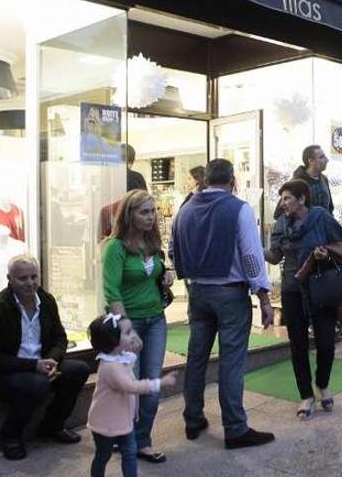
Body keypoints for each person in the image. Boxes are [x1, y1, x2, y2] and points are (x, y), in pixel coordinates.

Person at [170, 158, 275, 449]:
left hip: (198, 291)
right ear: (233, 181)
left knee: (196, 356)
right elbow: (252, 256)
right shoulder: (238, 208)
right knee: (231, 361)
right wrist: (263, 296)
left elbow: (173, 249)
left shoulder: (185, 210)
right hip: (229, 292)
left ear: (205, 180)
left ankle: (193, 419)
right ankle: (235, 428)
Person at [0, 255, 90, 460]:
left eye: (33, 277)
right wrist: (33, 366)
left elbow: (60, 338)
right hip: (3, 375)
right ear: (9, 279)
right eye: (22, 278)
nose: (30, 283)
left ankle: (52, 426)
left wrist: (52, 360)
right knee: (36, 384)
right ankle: (11, 435)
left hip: (41, 365)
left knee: (79, 369)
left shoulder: (46, 300)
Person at [266, 179, 342, 420]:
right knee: (298, 345)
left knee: (326, 343)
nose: (283, 203)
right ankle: (306, 395)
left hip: (321, 288)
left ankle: (322, 383)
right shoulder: (282, 224)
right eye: (282, 199)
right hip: (292, 290)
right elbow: (274, 256)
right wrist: (253, 250)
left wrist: (326, 254)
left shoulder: (321, 217)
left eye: (287, 198)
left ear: (302, 198)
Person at [102, 189, 171, 464]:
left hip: (156, 320)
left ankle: (142, 440)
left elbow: (153, 275)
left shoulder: (152, 244)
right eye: (144, 212)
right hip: (129, 322)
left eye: (152, 211)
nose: (151, 217)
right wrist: (126, 329)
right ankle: (124, 435)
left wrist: (163, 278)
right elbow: (111, 291)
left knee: (151, 386)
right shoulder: (115, 247)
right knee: (131, 385)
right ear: (129, 215)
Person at [87, 313, 176, 477]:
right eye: (128, 333)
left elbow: (130, 359)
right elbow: (131, 386)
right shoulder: (110, 367)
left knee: (129, 453)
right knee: (103, 455)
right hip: (105, 423)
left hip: (123, 420)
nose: (133, 335)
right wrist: (159, 383)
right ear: (113, 341)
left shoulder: (120, 357)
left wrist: (132, 345)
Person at [275, 145, 333, 217]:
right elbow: (279, 213)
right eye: (321, 157)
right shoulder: (297, 182)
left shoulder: (324, 180)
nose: (326, 160)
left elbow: (330, 208)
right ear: (311, 161)